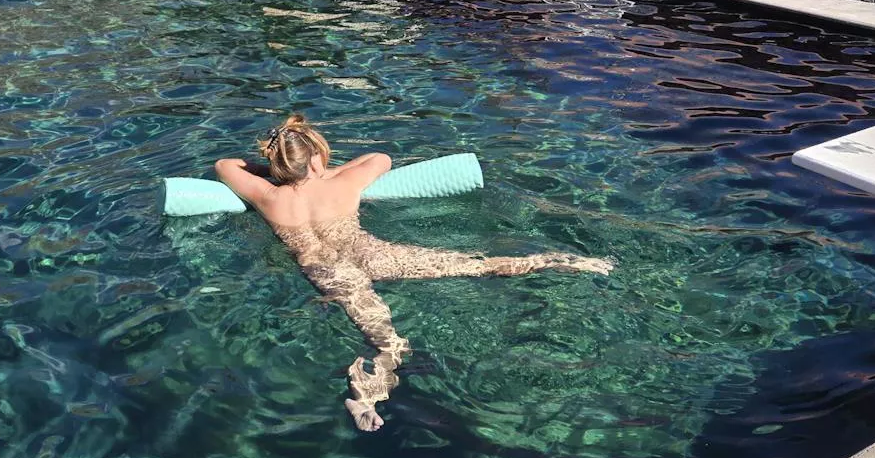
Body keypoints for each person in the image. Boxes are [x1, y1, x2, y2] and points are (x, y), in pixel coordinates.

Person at [214, 113, 613, 432]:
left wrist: (275, 170)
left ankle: (366, 398)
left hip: (327, 269)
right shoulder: (344, 182)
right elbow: (381, 159)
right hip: (371, 251)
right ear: (319, 158)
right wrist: (330, 173)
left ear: (277, 165)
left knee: (390, 343)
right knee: (478, 266)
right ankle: (563, 261)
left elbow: (224, 165)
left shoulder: (269, 196)